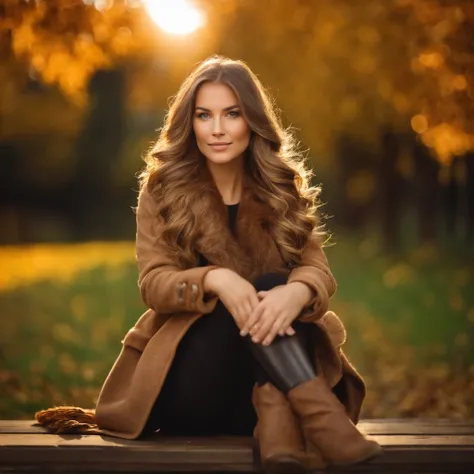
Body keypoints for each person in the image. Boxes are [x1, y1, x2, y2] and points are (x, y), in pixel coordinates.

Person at [35, 55, 382, 474]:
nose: (217, 129)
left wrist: (297, 291)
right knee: (234, 300)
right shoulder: (162, 192)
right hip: (193, 388)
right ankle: (323, 420)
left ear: (251, 121)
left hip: (257, 397)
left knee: (277, 283)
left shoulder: (280, 188)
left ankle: (279, 425)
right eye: (204, 115)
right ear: (190, 123)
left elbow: (317, 269)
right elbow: (153, 282)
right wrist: (215, 279)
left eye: (231, 114)